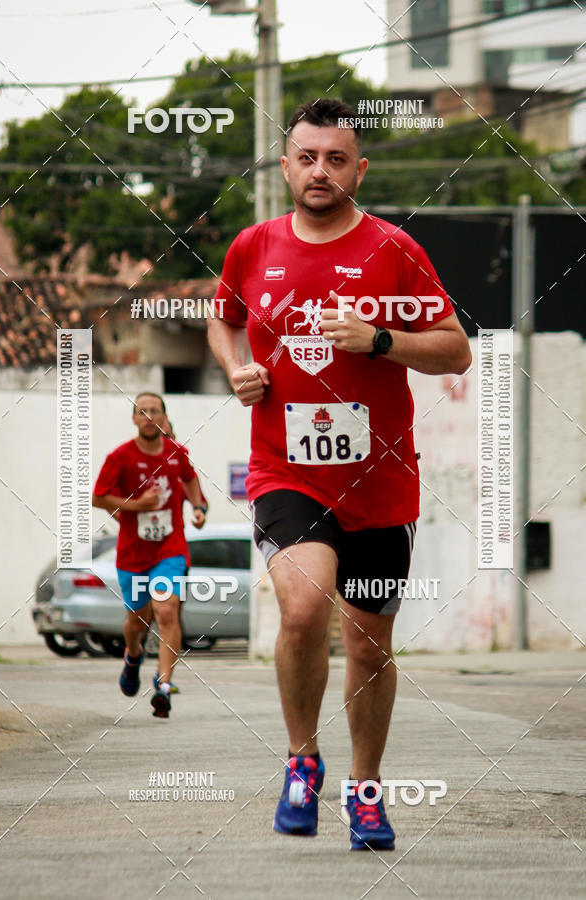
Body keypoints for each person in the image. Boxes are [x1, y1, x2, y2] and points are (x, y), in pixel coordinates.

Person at [207, 98, 472, 849]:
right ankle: (301, 761)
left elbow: (455, 350)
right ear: (286, 164)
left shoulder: (395, 250)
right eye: (306, 156)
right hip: (285, 470)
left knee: (366, 643)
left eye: (335, 158)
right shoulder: (253, 246)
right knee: (301, 610)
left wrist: (381, 339)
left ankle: (364, 789)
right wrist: (237, 368)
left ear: (359, 169)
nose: (319, 170)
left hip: (382, 482)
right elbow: (222, 318)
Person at [92, 391, 207, 718]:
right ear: (134, 419)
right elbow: (99, 498)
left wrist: (198, 507)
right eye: (142, 411)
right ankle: (133, 654)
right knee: (136, 622)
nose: (148, 416)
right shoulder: (120, 457)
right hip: (132, 553)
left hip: (170, 549)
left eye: (154, 410)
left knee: (167, 610)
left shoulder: (176, 453)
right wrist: (136, 506)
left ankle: (164, 685)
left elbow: (190, 478)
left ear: (163, 416)